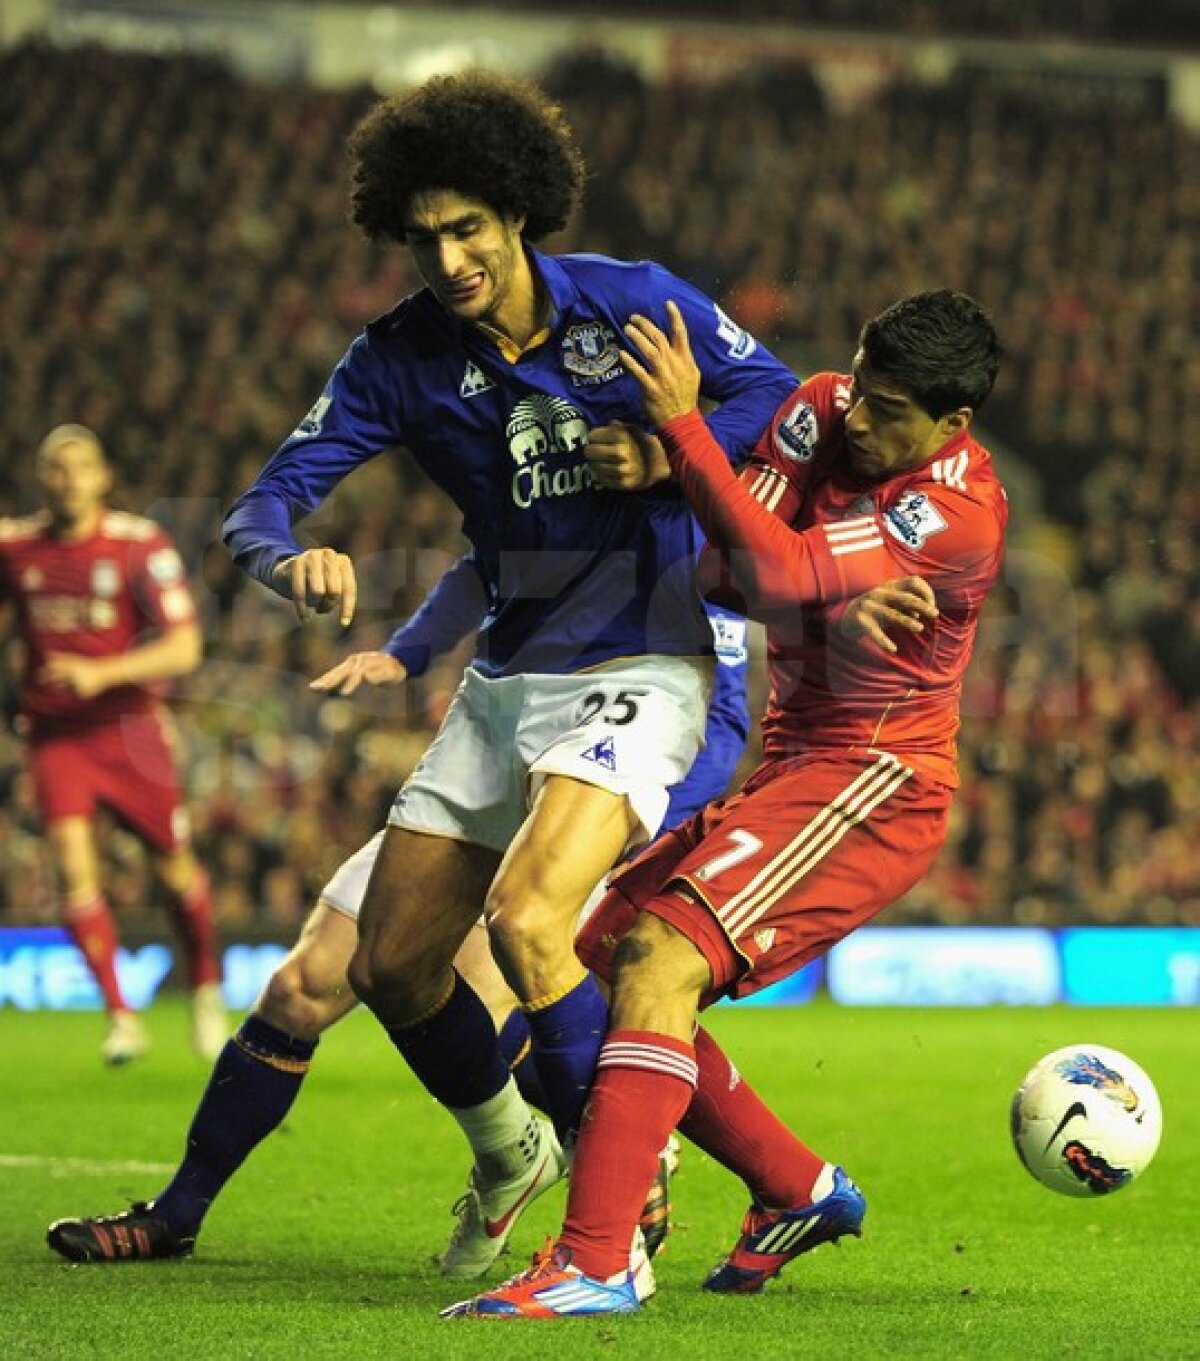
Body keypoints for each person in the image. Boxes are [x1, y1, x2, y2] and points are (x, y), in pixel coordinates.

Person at [214, 68, 800, 1281]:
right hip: (508, 677)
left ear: (520, 213)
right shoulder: (396, 360)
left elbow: (780, 399)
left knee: (533, 922)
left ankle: (617, 1206)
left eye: (468, 227)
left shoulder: (632, 305)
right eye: (423, 235)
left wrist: (670, 445)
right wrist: (290, 558)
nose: (447, 255)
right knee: (387, 965)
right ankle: (512, 1145)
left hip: (644, 658)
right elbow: (260, 502)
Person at [444, 287, 1006, 1318]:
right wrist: (819, 589)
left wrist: (688, 431)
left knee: (662, 954)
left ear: (951, 425)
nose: (860, 421)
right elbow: (725, 567)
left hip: (876, 776)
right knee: (609, 956)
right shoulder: (823, 406)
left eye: (891, 413)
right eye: (864, 391)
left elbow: (780, 557)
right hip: (793, 758)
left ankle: (597, 1257)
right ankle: (797, 1187)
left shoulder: (958, 510)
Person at [44, 557, 754, 1272]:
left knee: (484, 989)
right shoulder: (538, 495)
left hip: (582, 803)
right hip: (481, 789)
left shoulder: (673, 533)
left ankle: (630, 1154)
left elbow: (713, 716)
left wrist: (616, 831)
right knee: (302, 985)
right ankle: (178, 1214)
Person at [0, 425, 226, 1064]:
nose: (68, 478)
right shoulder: (15, 547)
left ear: (104, 477)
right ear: (41, 477)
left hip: (129, 730)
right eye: (55, 467)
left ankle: (206, 989)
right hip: (56, 738)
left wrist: (101, 672)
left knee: (176, 872)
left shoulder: (137, 545)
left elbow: (184, 647)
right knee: (74, 871)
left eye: (80, 466)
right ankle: (121, 1015)